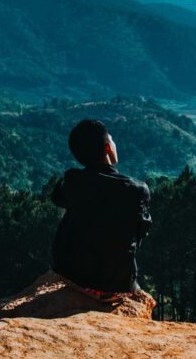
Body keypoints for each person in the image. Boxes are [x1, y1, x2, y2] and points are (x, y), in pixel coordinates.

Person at [51, 119, 152, 300]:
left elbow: (57, 198)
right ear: (107, 148)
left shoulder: (73, 181)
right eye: (112, 140)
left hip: (72, 277)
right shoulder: (137, 189)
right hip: (116, 286)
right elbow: (140, 235)